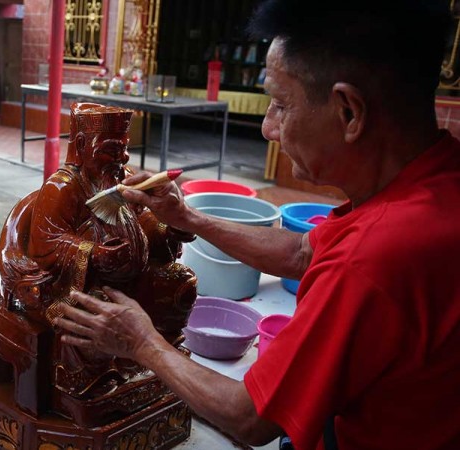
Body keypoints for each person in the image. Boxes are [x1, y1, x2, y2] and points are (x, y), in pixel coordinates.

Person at [53, 1, 460, 449]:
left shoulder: (372, 259)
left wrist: (141, 342)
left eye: (281, 105)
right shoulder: (436, 180)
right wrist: (186, 218)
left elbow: (252, 417)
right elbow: (303, 253)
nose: (268, 127)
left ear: (349, 112)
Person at [0, 102, 197, 423]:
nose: (122, 158)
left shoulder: (124, 179)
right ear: (80, 146)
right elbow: (46, 243)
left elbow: (146, 222)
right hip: (80, 287)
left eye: (125, 149)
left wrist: (170, 226)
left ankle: (161, 358)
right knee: (97, 314)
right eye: (111, 149)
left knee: (179, 282)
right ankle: (91, 384)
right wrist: (94, 253)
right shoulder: (62, 188)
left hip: (134, 280)